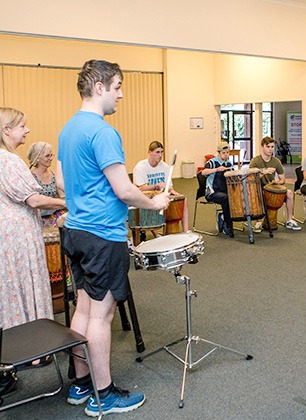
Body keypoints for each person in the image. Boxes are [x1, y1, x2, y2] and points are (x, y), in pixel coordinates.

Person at [58, 59, 170, 415]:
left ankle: (79, 384)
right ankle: (103, 395)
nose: (121, 95)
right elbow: (123, 191)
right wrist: (154, 201)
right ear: (100, 87)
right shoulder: (103, 132)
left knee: (84, 308)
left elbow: (63, 184)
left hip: (76, 231)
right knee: (101, 315)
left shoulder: (67, 129)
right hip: (102, 236)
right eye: (118, 87)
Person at [0, 108, 65, 332]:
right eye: (21, 126)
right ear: (6, 130)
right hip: (19, 235)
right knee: (26, 284)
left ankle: (17, 338)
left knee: (13, 288)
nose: (27, 130)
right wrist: (67, 203)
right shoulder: (9, 160)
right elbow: (34, 201)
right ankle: (34, 339)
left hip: (8, 234)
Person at [132, 140, 189, 236]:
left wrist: (173, 191)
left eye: (162, 152)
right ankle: (155, 232)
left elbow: (169, 186)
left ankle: (186, 231)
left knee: (183, 200)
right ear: (150, 152)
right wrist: (156, 185)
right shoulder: (140, 167)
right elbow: (139, 189)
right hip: (145, 196)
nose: (160, 155)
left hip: (161, 195)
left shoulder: (165, 166)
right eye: (157, 152)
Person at [249, 136, 302, 231]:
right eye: (268, 146)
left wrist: (277, 183)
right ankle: (258, 222)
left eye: (272, 147)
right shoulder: (255, 161)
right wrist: (264, 172)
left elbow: (283, 179)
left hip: (272, 188)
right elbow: (251, 178)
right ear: (262, 147)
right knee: (256, 195)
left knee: (289, 193)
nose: (270, 149)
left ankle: (290, 220)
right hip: (259, 188)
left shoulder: (276, 161)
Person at [27, 141, 65, 227]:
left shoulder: (54, 176)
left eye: (51, 155)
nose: (51, 158)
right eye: (47, 156)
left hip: (55, 219)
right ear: (37, 157)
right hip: (36, 220)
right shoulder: (30, 177)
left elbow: (63, 197)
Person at [202, 141, 234, 236]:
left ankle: (224, 217)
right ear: (219, 152)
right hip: (212, 192)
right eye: (223, 153)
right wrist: (216, 169)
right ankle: (228, 225)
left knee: (235, 197)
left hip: (225, 191)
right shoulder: (212, 162)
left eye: (227, 153)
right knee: (226, 199)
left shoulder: (229, 163)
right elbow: (203, 172)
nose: (226, 155)